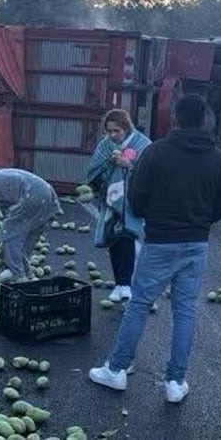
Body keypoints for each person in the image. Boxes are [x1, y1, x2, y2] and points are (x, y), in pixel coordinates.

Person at [89, 94, 221, 404]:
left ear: (176, 119)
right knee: (184, 312)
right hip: (196, 243)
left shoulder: (155, 152)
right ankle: (176, 382)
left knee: (139, 305)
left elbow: (136, 200)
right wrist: (198, 221)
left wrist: (155, 217)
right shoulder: (219, 159)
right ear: (204, 120)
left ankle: (116, 370)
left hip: (160, 241)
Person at [85, 109, 152, 302]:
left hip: (132, 199)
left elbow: (150, 169)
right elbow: (93, 170)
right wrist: (109, 165)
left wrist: (128, 165)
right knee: (114, 239)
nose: (113, 136)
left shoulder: (142, 144)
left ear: (126, 128)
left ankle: (126, 284)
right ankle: (119, 284)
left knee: (127, 236)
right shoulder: (105, 146)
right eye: (109, 131)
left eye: (117, 131)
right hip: (111, 199)